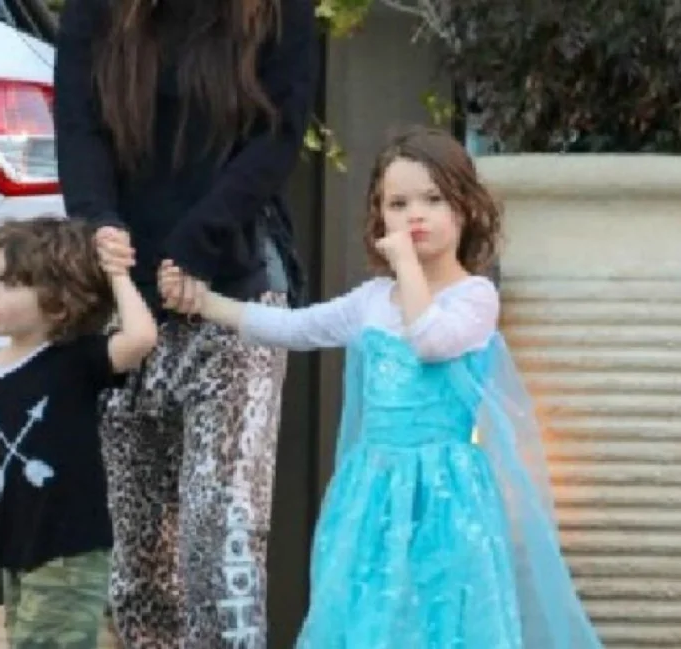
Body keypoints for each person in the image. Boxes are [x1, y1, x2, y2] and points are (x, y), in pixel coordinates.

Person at [160, 126, 605, 649]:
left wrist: (406, 266)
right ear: (379, 217)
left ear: (466, 208)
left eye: (433, 199)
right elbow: (297, 328)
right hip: (374, 489)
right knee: (371, 614)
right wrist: (207, 304)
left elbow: (431, 341)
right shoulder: (373, 300)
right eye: (398, 204)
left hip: (447, 496)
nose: (416, 215)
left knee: (443, 616)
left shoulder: (474, 296)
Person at [54, 0, 320, 645]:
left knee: (220, 547)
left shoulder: (276, 10)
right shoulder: (98, 11)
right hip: (120, 300)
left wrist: (196, 245)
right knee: (135, 566)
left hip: (230, 290)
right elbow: (78, 124)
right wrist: (98, 224)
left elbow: (278, 137)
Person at [0, 216, 157, 649]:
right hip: (16, 552)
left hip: (71, 553)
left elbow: (140, 337)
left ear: (59, 306)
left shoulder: (75, 362)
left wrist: (116, 273)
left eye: (10, 283)